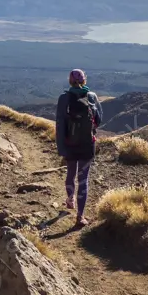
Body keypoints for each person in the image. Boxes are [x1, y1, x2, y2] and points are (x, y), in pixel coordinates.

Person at [55, 69, 103, 228]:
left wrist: (61, 147)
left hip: (70, 144)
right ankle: (80, 217)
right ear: (85, 80)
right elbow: (99, 120)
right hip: (87, 145)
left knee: (70, 174)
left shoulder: (64, 98)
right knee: (83, 180)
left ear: (70, 81)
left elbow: (60, 124)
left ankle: (70, 200)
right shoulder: (92, 97)